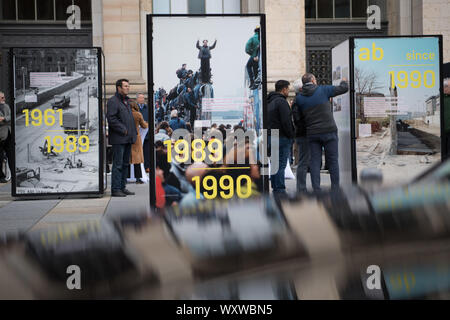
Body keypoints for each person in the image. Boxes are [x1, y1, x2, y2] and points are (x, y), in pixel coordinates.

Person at [295, 73, 348, 193]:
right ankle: (335, 188)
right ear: (313, 80)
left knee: (315, 162)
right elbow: (344, 88)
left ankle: (316, 189)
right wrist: (344, 81)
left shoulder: (299, 98)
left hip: (312, 133)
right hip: (329, 131)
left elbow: (299, 118)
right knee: (333, 160)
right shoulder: (323, 90)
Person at [106, 79, 137, 197]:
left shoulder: (126, 101)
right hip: (119, 138)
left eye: (128, 86)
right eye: (125, 86)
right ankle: (115, 189)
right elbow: (112, 119)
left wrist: (131, 133)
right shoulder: (113, 101)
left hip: (127, 138)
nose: (128, 88)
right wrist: (123, 129)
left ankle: (122, 187)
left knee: (125, 164)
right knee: (118, 164)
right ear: (118, 88)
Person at [268, 80, 295, 196]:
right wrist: (291, 135)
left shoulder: (269, 101)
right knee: (281, 165)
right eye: (288, 89)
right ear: (284, 89)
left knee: (274, 164)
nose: (288, 91)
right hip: (281, 137)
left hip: (271, 136)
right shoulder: (282, 102)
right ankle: (280, 189)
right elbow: (286, 121)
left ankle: (275, 187)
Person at [291, 78, 310, 193]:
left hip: (302, 133)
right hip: (304, 133)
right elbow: (298, 120)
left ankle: (302, 187)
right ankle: (301, 188)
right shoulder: (299, 100)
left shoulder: (298, 100)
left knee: (305, 161)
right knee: (303, 162)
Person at [129, 100, 148, 184]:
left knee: (127, 158)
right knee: (137, 159)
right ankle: (138, 178)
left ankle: (126, 177)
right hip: (136, 138)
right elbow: (144, 126)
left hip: (127, 137)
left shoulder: (126, 114)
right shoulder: (138, 114)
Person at [136, 93, 151, 173]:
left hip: (147, 133)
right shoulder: (135, 108)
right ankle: (139, 168)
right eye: (140, 98)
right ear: (137, 99)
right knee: (138, 152)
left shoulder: (147, 108)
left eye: (143, 98)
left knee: (146, 151)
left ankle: (147, 166)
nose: (142, 99)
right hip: (138, 133)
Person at [0, 92, 12, 183]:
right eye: (2, 98)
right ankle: (1, 176)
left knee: (10, 156)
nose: (4, 99)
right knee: (0, 157)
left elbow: (10, 117)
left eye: (4, 97)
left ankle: (12, 174)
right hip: (1, 136)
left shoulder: (6, 106)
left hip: (8, 134)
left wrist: (4, 119)